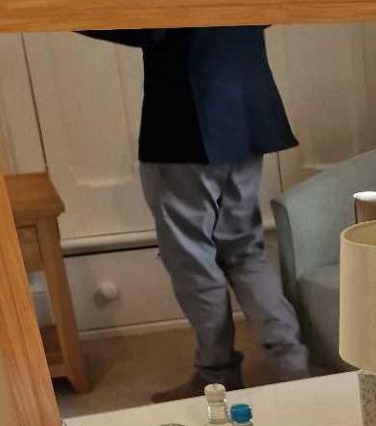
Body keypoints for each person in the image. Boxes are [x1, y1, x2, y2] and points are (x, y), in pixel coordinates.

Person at [88, 26, 310, 401]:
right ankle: (293, 368)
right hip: (248, 112)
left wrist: (61, 8)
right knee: (244, 250)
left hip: (185, 121)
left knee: (192, 259)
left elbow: (148, 26)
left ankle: (217, 376)